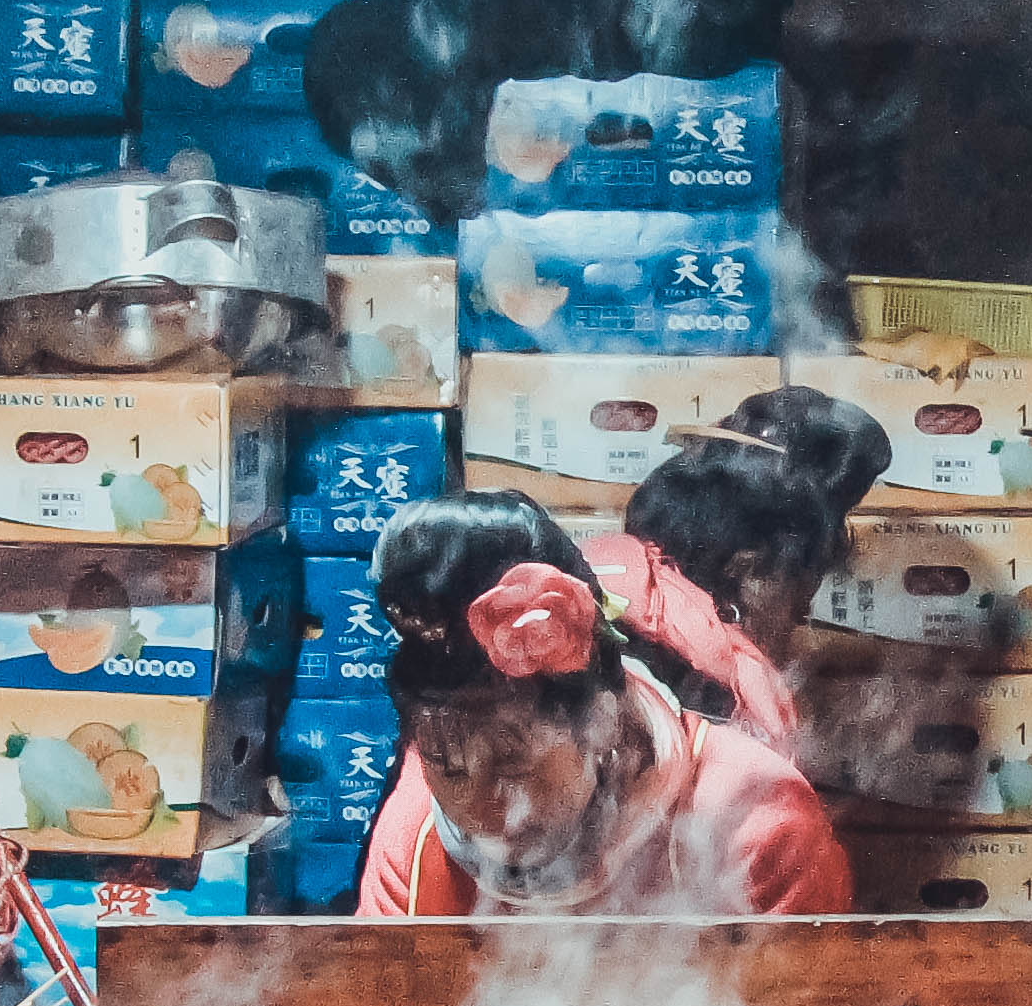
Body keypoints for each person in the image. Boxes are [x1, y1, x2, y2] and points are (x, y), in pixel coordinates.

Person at [354, 493, 851, 919]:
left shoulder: (753, 824)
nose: (482, 812)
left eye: (512, 764)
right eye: (447, 767)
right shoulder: (418, 836)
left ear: (604, 723)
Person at [587, 386, 894, 751]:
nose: (802, 614)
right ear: (747, 571)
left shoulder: (609, 595)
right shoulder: (701, 700)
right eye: (801, 590)